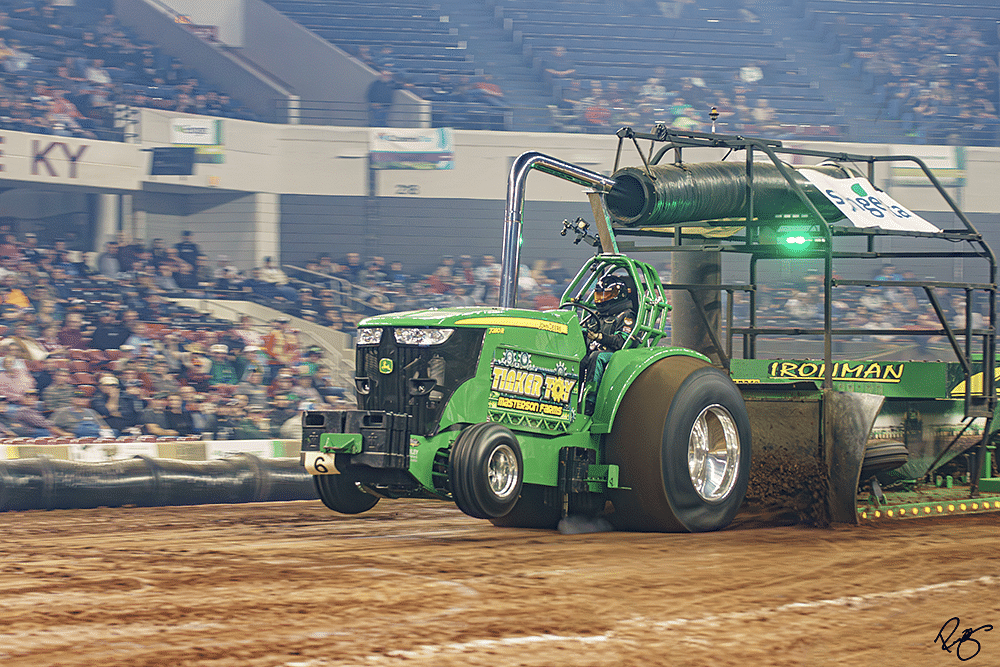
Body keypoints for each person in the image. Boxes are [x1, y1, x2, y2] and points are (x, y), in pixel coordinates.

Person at [581, 273, 637, 413]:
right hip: (596, 350)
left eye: (606, 295)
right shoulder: (597, 316)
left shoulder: (626, 316)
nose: (601, 300)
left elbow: (621, 341)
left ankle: (590, 401)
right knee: (579, 359)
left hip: (618, 356)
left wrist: (600, 337)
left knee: (597, 357)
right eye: (599, 295)